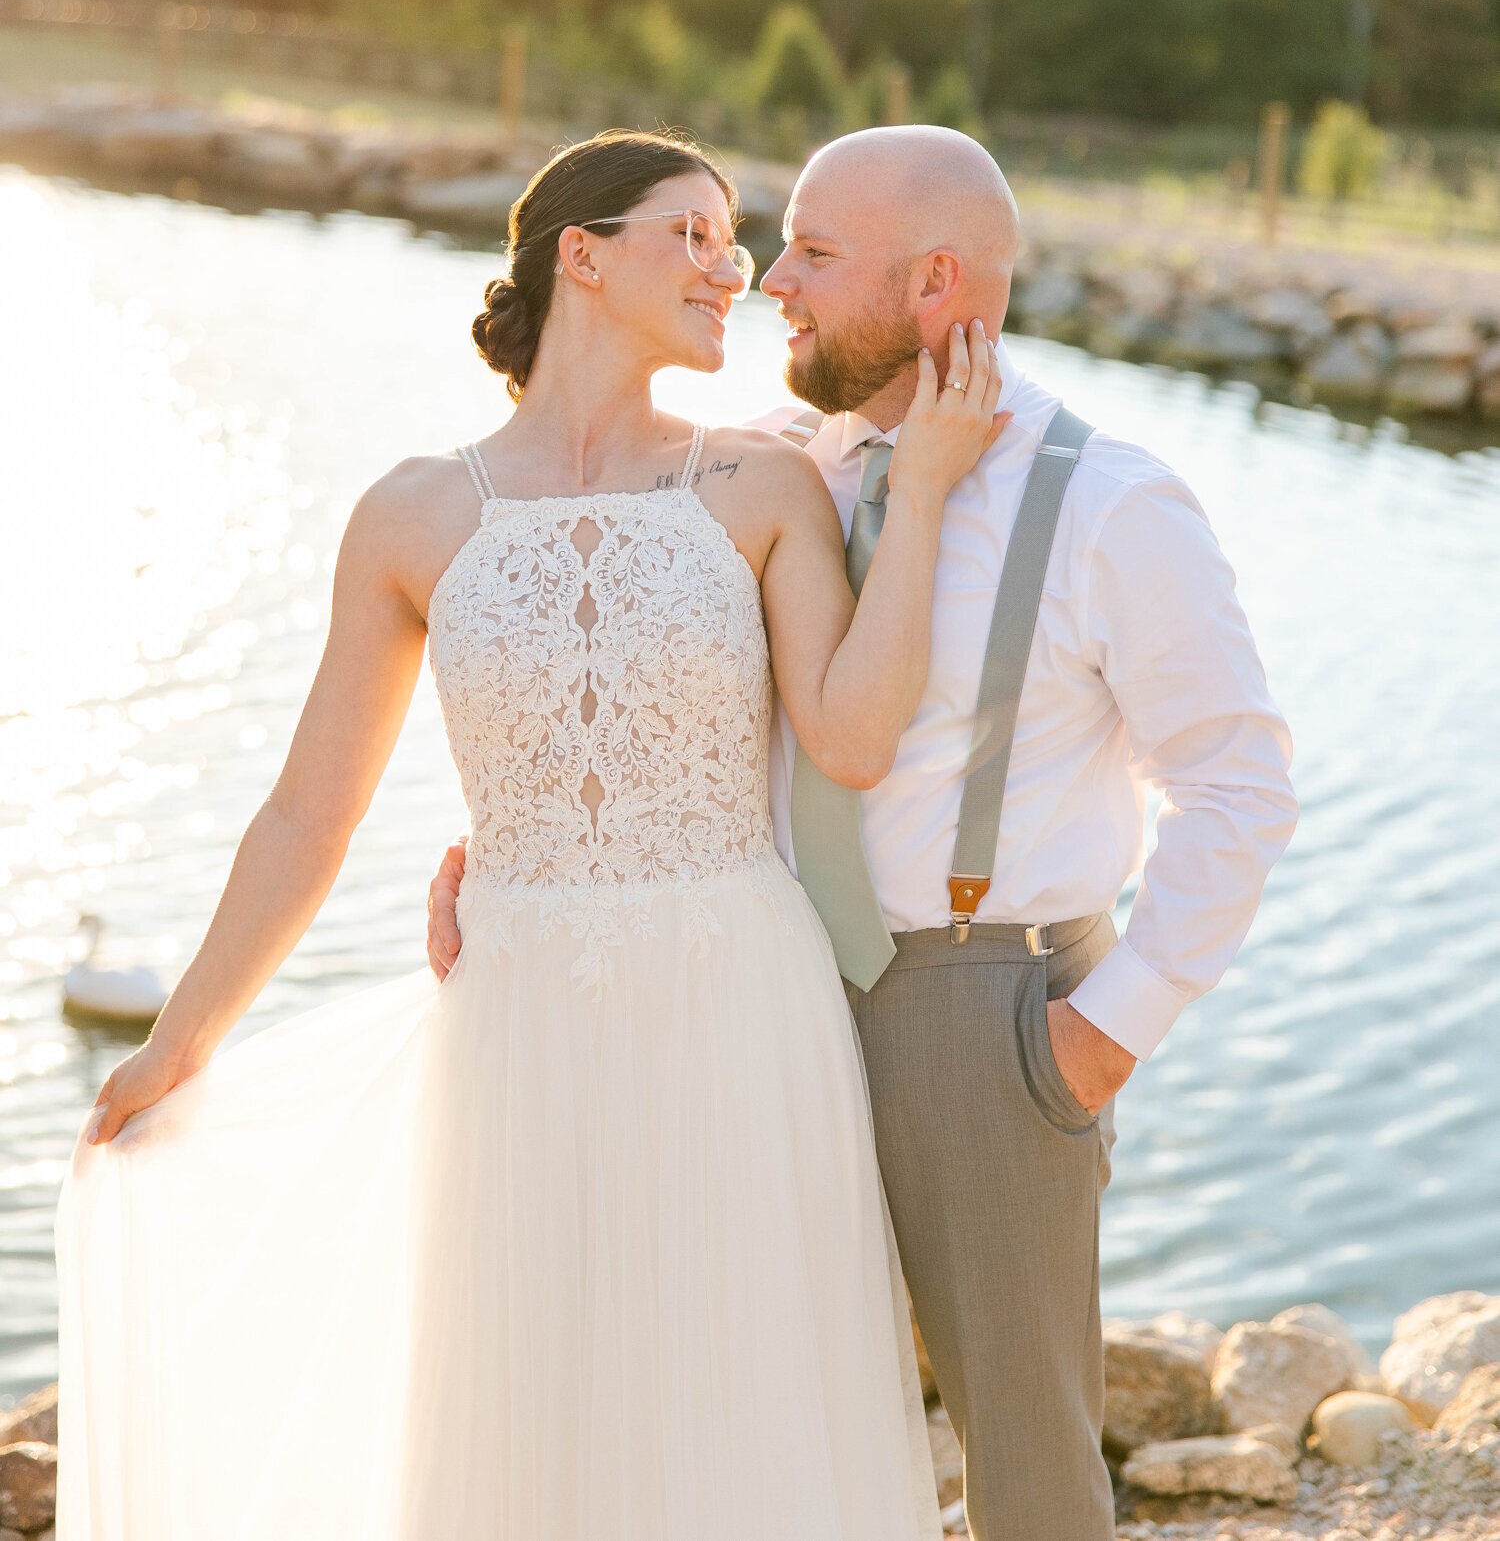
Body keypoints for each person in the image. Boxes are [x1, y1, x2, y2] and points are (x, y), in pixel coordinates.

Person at [56, 129, 1009, 1541]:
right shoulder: (414, 512)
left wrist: (922, 489)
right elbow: (311, 812)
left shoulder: (763, 487)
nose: (731, 267)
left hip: (738, 1001)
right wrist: (183, 1038)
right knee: (525, 1409)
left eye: (735, 242)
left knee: (737, 1401)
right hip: (512, 1017)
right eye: (692, 233)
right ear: (583, 251)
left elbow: (856, 737)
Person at [430, 124, 1299, 1541]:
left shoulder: (1110, 501)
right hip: (750, 993)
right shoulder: (775, 461)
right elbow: (601, 635)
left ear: (937, 281)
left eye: (817, 254)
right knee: (752, 1421)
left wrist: (1101, 1035)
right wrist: (512, 846)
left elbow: (1239, 786)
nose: (774, 279)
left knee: (1024, 1465)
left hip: (981, 1011)